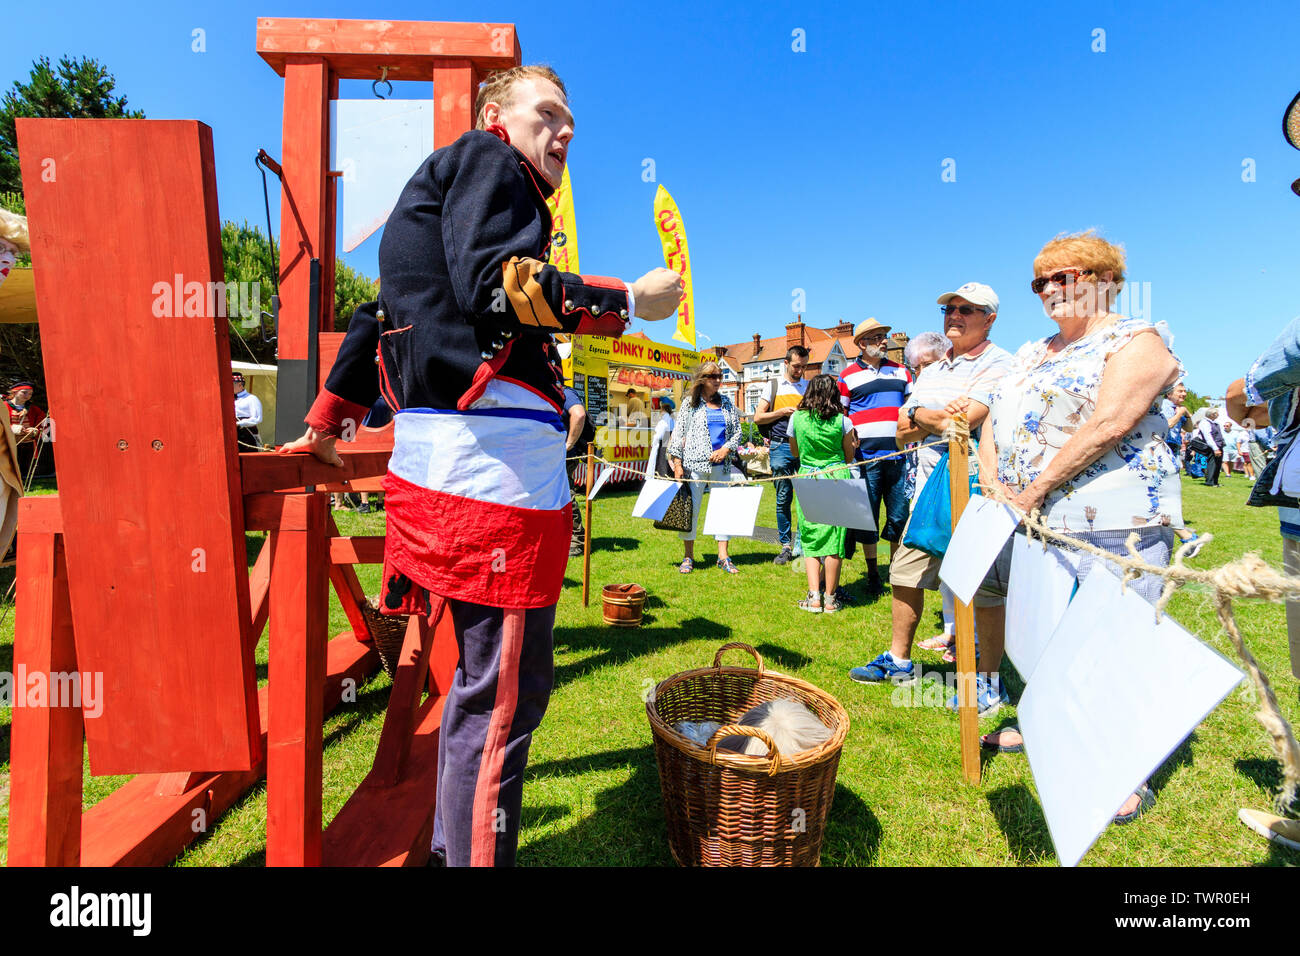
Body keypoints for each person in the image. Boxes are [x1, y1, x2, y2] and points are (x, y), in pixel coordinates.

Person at [280, 64, 683, 867]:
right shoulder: (490, 159)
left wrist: (328, 417)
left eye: (572, 119)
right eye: (550, 113)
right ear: (497, 113)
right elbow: (502, 289)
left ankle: (447, 849)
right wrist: (630, 298)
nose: (566, 131)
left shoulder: (450, 188)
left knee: (484, 692)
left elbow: (379, 316)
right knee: (501, 701)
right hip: (491, 477)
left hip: (462, 470)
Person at [976, 231, 1182, 826]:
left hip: (1119, 521)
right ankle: (1046, 723)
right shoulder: (1029, 352)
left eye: (1065, 277)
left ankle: (1123, 768)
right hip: (1032, 520)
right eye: (1041, 281)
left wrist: (1033, 489)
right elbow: (994, 414)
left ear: (1104, 281)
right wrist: (995, 484)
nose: (1050, 290)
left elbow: (1110, 423)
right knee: (1043, 633)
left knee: (1113, 642)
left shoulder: (1137, 339)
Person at [850, 283, 1016, 686]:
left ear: (989, 319)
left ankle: (988, 678)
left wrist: (926, 416)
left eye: (967, 310)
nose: (954, 315)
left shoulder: (1002, 363)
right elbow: (902, 432)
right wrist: (933, 415)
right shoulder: (934, 369)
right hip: (927, 489)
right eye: (949, 309)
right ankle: (899, 660)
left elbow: (965, 421)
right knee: (905, 572)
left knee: (985, 588)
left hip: (979, 489)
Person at [838, 318, 912, 596]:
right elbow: (841, 417)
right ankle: (871, 572)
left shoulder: (902, 372)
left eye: (885, 336)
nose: (884, 341)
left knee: (898, 516)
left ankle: (894, 570)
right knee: (866, 518)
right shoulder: (846, 376)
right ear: (862, 343)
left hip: (898, 458)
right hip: (865, 460)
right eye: (878, 337)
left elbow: (910, 409)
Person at [789, 374, 858, 612]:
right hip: (837, 477)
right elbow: (849, 457)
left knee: (810, 537)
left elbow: (795, 452)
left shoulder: (796, 418)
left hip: (809, 477)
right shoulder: (843, 421)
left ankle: (814, 596)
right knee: (835, 541)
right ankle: (830, 598)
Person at [667, 361, 742, 574]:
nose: (718, 380)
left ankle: (723, 556)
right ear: (702, 379)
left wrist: (726, 449)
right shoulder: (690, 404)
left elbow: (737, 432)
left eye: (720, 376)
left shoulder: (727, 403)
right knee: (692, 510)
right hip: (694, 464)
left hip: (722, 465)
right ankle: (688, 556)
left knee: (722, 510)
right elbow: (678, 435)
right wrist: (678, 465)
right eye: (713, 376)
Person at [752, 345, 808, 565]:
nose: (799, 371)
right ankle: (785, 545)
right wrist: (782, 412)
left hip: (805, 447)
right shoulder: (773, 385)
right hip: (781, 446)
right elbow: (758, 418)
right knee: (783, 498)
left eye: (803, 367)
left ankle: (803, 545)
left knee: (807, 498)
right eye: (796, 366)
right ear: (786, 363)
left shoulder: (809, 386)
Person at [563, 385, 595, 558]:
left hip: (564, 456)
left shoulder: (565, 391)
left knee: (567, 496)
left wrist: (569, 444)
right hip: (551, 455)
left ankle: (578, 539)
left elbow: (579, 414)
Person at [6, 382, 45, 481]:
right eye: (24, 393)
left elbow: (43, 422)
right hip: (9, 444)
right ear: (14, 393)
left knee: (26, 467)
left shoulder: (33, 409)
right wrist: (11, 428)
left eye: (30, 394)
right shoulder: (3, 407)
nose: (28, 396)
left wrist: (35, 430)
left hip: (28, 443)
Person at [1161, 383, 1190, 472]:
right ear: (1169, 394)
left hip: (1175, 447)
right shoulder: (1164, 406)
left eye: (1185, 391)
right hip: (1164, 446)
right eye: (1180, 391)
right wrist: (1180, 413)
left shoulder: (1179, 408)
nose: (1184, 394)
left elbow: (1189, 429)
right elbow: (1168, 424)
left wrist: (1187, 415)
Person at [1192, 408, 1225, 486]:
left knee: (1218, 464)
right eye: (1216, 413)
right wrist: (1215, 448)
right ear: (1212, 414)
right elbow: (1208, 436)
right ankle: (1210, 481)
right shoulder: (1205, 423)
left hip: (1218, 445)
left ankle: (1215, 481)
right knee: (1212, 464)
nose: (1218, 415)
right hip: (1211, 446)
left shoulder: (1214, 422)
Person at [645, 395, 675, 480]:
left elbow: (659, 434)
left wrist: (653, 442)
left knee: (662, 462)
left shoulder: (664, 420)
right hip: (670, 440)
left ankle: (662, 477)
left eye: (661, 409)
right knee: (668, 461)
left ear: (663, 410)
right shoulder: (672, 419)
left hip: (664, 441)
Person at [232, 372, 264, 451]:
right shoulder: (228, 399)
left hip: (247, 435)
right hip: (232, 434)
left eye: (232, 384)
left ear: (240, 385)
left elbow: (257, 418)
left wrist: (239, 423)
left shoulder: (251, 398)